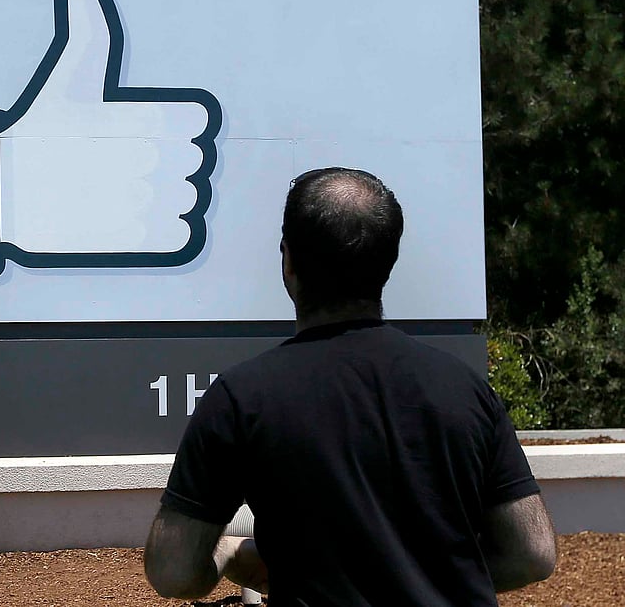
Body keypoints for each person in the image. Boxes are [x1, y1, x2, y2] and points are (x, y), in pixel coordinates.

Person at [144, 167, 556, 605]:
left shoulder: (241, 399)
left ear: (287, 260)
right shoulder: (466, 390)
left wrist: (228, 554)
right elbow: (532, 554)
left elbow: (174, 572)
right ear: (389, 263)